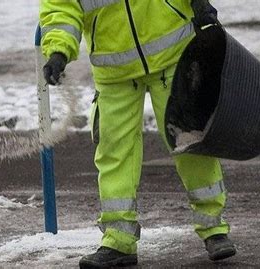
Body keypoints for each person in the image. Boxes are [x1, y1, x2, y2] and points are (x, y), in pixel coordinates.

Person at [40, 0, 236, 267]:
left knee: (189, 140)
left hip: (172, 54)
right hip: (113, 71)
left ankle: (214, 228)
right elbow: (61, 7)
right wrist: (58, 50)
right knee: (114, 153)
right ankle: (118, 240)